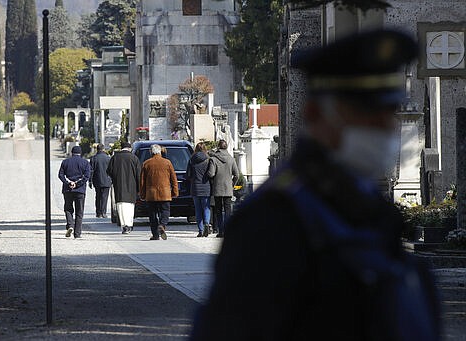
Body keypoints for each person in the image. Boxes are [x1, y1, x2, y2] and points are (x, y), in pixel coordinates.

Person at [190, 29, 441, 340]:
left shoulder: (368, 208)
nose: (383, 127)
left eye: (388, 113)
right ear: (315, 115)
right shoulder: (273, 219)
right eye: (363, 113)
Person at [140, 144, 179, 240]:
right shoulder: (167, 162)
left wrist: (142, 194)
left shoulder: (146, 163)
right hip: (165, 193)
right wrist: (175, 192)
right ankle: (162, 224)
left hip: (151, 194)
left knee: (152, 214)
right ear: (160, 152)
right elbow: (173, 179)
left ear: (151, 152)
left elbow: (142, 181)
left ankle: (155, 235)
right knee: (165, 211)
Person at [106, 141, 141, 234]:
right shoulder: (134, 158)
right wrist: (139, 188)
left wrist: (115, 178)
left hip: (119, 186)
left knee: (121, 206)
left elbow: (109, 171)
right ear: (129, 148)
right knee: (130, 206)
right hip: (132, 187)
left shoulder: (115, 158)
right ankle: (129, 224)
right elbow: (138, 174)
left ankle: (124, 225)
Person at [207, 139, 239, 238]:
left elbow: (211, 173)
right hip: (228, 188)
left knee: (218, 211)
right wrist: (232, 184)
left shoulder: (214, 159)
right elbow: (237, 174)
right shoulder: (231, 159)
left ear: (218, 147)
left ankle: (221, 231)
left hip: (217, 187)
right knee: (228, 210)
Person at [58, 145, 91, 239]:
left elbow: (60, 175)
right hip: (80, 191)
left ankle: (70, 225)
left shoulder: (65, 162)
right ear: (80, 153)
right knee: (79, 212)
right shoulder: (85, 162)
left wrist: (68, 183)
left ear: (72, 153)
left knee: (68, 209)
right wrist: (77, 184)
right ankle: (77, 233)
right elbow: (87, 176)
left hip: (67, 190)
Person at [186, 142, 212, 237]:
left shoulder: (191, 160)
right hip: (206, 186)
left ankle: (200, 230)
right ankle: (206, 223)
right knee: (206, 207)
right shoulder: (208, 159)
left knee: (197, 209)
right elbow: (211, 173)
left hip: (195, 187)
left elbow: (188, 175)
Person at [89, 144, 112, 218]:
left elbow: (91, 171)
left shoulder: (93, 158)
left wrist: (90, 181)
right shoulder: (108, 158)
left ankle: (98, 212)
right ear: (103, 149)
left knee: (98, 196)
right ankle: (103, 212)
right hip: (107, 180)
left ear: (97, 149)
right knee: (105, 197)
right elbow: (111, 170)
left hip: (97, 180)